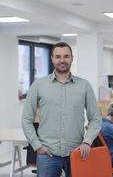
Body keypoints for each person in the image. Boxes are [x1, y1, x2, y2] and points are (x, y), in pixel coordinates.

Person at [22, 42, 102, 177]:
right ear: (52, 58)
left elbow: (95, 118)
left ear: (72, 58)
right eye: (58, 56)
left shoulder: (84, 86)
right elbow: (26, 119)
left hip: (76, 153)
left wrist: (87, 142)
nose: (62, 60)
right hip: (47, 154)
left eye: (66, 56)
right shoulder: (38, 85)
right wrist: (37, 146)